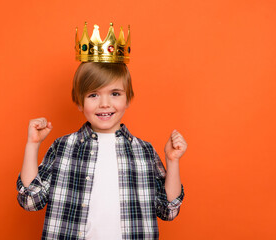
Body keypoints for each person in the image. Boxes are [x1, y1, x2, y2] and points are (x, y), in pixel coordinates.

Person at [16, 23, 187, 240]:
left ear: (128, 99)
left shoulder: (144, 151)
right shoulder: (63, 147)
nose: (105, 104)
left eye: (115, 94)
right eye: (93, 95)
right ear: (79, 102)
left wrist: (172, 161)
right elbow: (31, 201)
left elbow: (168, 210)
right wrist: (32, 145)